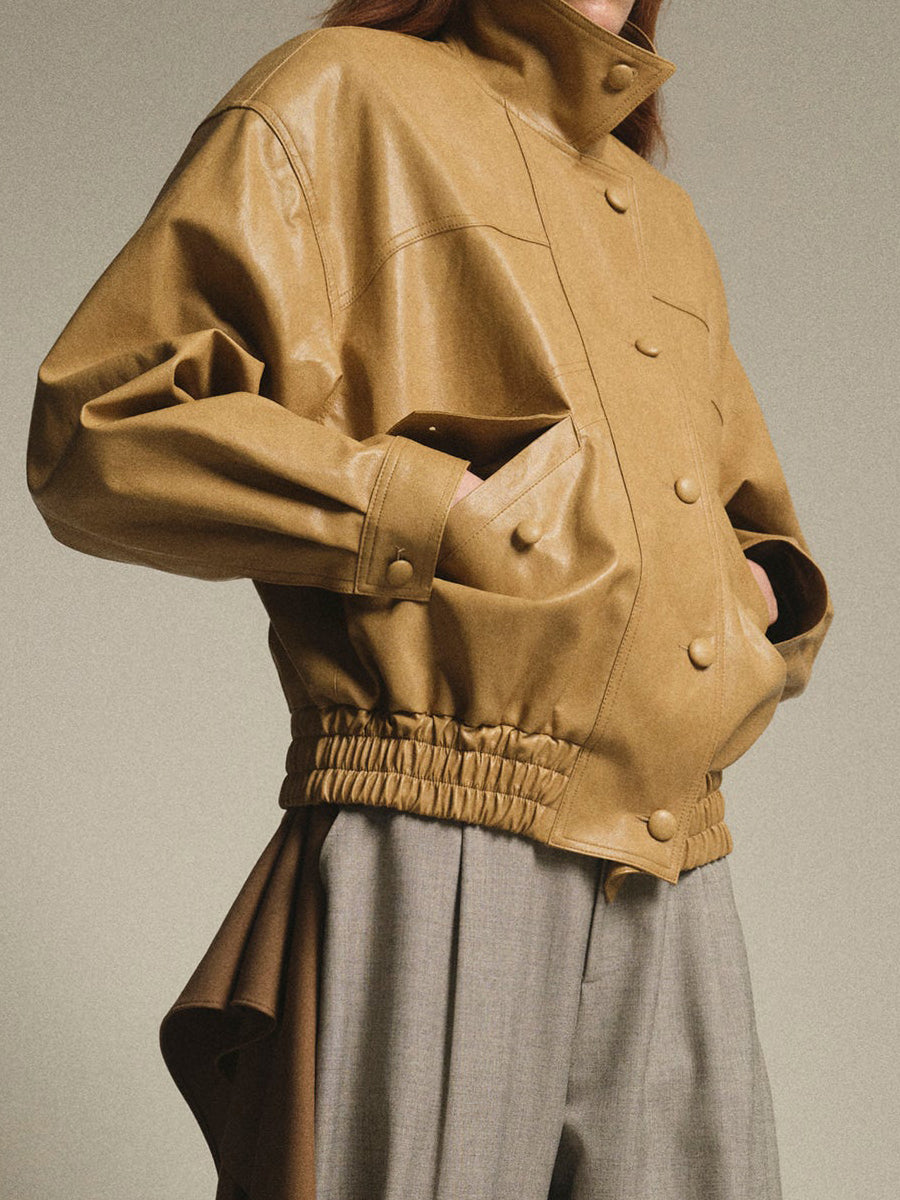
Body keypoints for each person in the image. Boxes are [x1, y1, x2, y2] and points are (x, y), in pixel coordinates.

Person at [25, 0, 834, 1196]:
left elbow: (744, 513)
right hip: (444, 835)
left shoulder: (660, 213)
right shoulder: (344, 92)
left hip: (679, 867)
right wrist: (429, 508)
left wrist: (758, 596)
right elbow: (103, 425)